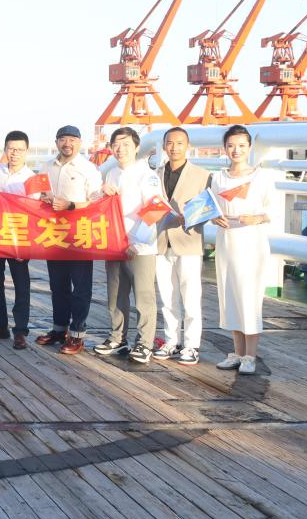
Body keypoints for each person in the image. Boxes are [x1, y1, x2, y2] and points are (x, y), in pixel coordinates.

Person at [211, 124, 280, 375]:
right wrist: (214, 218)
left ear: (249, 147)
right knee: (229, 294)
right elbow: (212, 208)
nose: (236, 150)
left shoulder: (261, 176)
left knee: (249, 296)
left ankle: (250, 356)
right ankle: (237, 353)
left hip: (251, 240)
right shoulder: (219, 177)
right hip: (227, 240)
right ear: (224, 148)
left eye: (241, 145)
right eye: (231, 145)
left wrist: (257, 218)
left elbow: (273, 209)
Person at [93, 127, 162, 365]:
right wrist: (101, 192)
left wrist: (138, 242)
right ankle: (117, 337)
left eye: (126, 144)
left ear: (136, 147)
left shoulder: (147, 175)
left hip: (140, 247)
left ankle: (144, 343)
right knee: (116, 294)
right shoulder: (112, 173)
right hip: (114, 244)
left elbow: (155, 209)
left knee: (143, 296)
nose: (120, 149)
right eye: (116, 144)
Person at [37, 124, 103, 355]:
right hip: (54, 234)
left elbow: (97, 202)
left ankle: (77, 334)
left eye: (72, 140)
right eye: (63, 139)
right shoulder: (46, 166)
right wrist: (43, 198)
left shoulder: (88, 168)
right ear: (56, 142)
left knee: (81, 287)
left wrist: (71, 205)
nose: (67, 144)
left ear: (79, 143)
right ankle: (59, 329)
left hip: (80, 235)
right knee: (58, 285)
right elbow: (37, 194)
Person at [153, 127, 210, 365]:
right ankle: (171, 340)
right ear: (164, 145)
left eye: (179, 143)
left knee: (190, 296)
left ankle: (191, 345)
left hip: (188, 241)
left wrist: (192, 217)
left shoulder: (202, 175)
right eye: (170, 143)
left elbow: (209, 208)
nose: (174, 147)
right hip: (161, 242)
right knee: (167, 296)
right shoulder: (154, 174)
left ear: (188, 146)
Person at [0, 130, 35, 349]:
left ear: (26, 151)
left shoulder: (32, 178)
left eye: (20, 149)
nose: (15, 153)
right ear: (5, 149)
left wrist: (28, 243)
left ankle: (20, 331)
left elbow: (35, 212)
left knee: (21, 285)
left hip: (19, 238)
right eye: (11, 149)